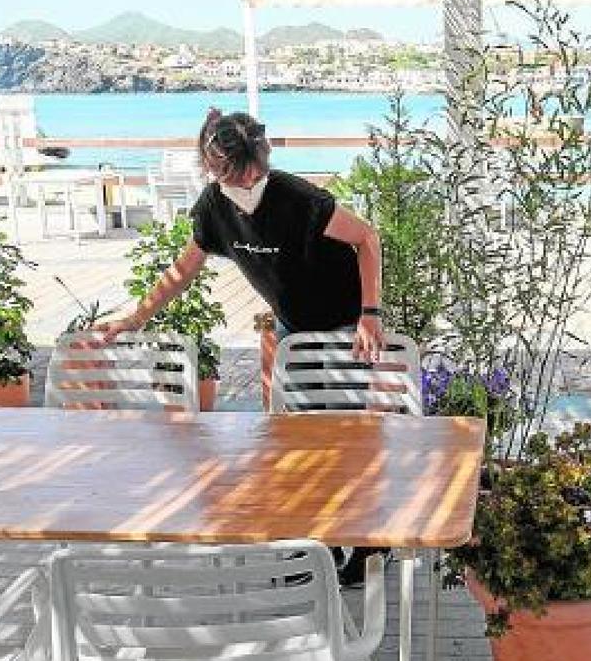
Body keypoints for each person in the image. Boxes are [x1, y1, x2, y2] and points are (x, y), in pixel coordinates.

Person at [96, 107, 386, 585]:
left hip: (342, 326)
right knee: (298, 443)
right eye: (234, 177)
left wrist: (369, 315)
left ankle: (371, 547)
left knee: (345, 438)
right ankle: (318, 549)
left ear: (263, 160)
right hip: (293, 329)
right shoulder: (214, 207)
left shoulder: (300, 199)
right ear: (213, 169)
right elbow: (182, 272)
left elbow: (367, 238)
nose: (247, 184)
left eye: (254, 175)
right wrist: (134, 317)